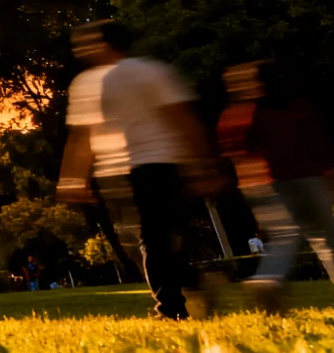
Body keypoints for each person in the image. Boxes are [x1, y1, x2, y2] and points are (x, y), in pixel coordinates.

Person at [58, 20, 219, 320]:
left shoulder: (148, 72)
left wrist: (202, 165)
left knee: (151, 239)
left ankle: (171, 308)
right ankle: (193, 284)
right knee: (139, 242)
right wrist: (73, 177)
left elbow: (182, 118)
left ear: (104, 43)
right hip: (116, 170)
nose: (80, 49)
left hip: (155, 162)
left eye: (86, 42)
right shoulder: (88, 82)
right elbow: (83, 135)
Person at [217, 61, 334, 312]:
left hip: (262, 183)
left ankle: (268, 278)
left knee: (283, 237)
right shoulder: (298, 107)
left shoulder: (237, 115)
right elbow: (318, 144)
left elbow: (236, 155)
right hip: (307, 178)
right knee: (326, 238)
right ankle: (268, 281)